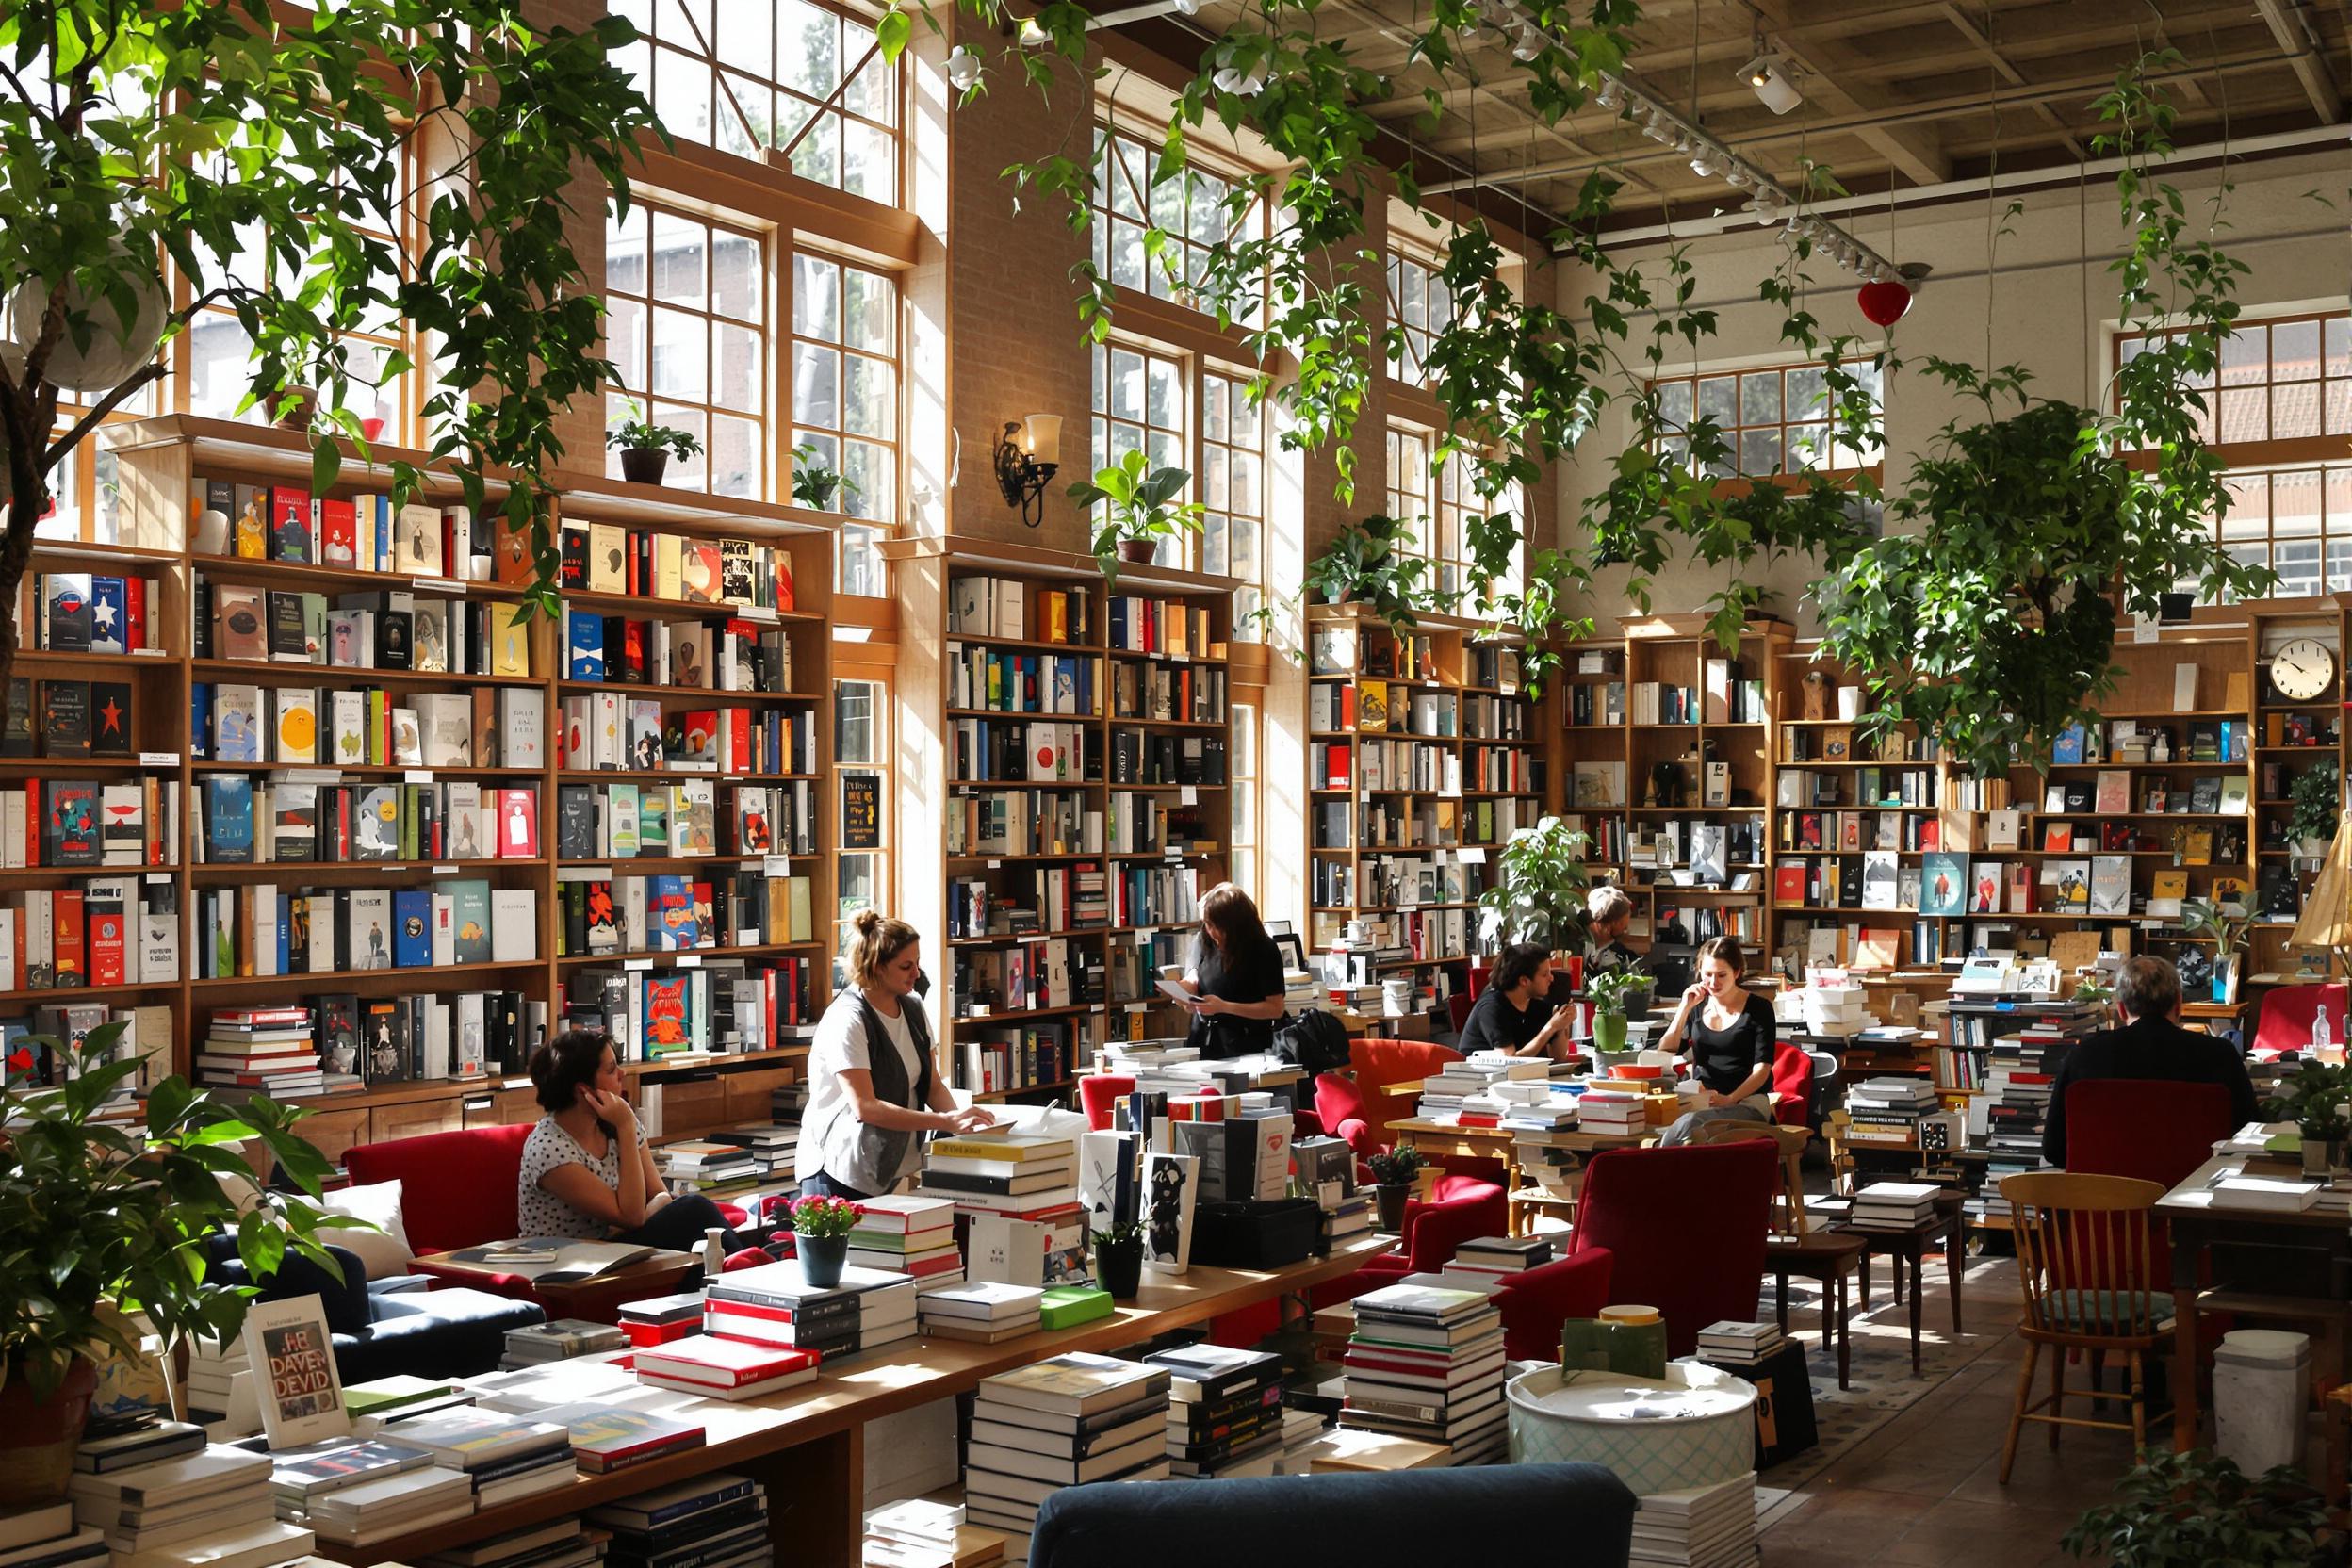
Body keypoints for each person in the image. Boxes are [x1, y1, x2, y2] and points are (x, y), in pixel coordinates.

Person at [797, 911, 995, 1200]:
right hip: (838, 1171)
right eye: (905, 966)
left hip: (885, 1166)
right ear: (876, 967)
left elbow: (932, 1085)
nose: (916, 973)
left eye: (916, 963)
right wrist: (944, 1123)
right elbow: (866, 1107)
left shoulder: (913, 1007)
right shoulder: (847, 1019)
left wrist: (961, 1126)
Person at [517, 1029, 743, 1250]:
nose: (622, 1074)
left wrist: (634, 1221)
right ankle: (746, 1271)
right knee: (694, 1210)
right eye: (611, 1069)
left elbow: (659, 1195)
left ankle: (744, 1269)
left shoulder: (614, 1122)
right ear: (583, 1089)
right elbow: (632, 1216)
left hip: (618, 1246)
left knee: (694, 1225)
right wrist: (625, 1126)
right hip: (570, 1260)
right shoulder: (550, 1148)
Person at [2042, 956, 2259, 1167]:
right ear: (2178, 1004)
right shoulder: (2219, 1054)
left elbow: (2055, 1149)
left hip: (2104, 1198)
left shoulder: (2084, 1056)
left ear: (2121, 1009)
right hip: (2195, 1195)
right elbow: (2249, 1139)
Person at [1655, 936, 1776, 1146]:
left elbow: (1762, 1070)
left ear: (1736, 973)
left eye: (1721, 975)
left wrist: (1730, 1099)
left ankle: (1660, 1168)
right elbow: (1666, 1051)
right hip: (1703, 1099)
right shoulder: (1697, 1007)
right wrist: (1684, 1009)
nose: (1713, 983)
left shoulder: (1759, 1008)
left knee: (1692, 1124)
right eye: (1708, 975)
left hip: (1747, 1101)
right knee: (1656, 1118)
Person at [1176, 883, 1287, 1059]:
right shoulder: (1203, 940)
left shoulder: (1263, 949)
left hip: (1246, 1044)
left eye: (1217, 926)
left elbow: (1275, 1008)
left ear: (1236, 925)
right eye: (1207, 924)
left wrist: (1224, 1007)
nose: (1211, 932)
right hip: (1203, 1040)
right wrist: (1183, 994)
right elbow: (1194, 978)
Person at [1459, 941, 1576, 1059]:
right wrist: (1550, 1028)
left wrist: (1562, 1025)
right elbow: (1509, 1060)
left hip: (1526, 1076)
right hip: (1480, 1075)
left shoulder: (1538, 1004)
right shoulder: (1492, 1008)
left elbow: (1558, 1058)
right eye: (1545, 974)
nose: (1551, 978)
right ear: (1524, 981)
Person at [1584, 885, 1644, 976]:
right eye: (1622, 925)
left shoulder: (1623, 958)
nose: (1626, 930)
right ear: (1609, 925)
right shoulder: (1574, 943)